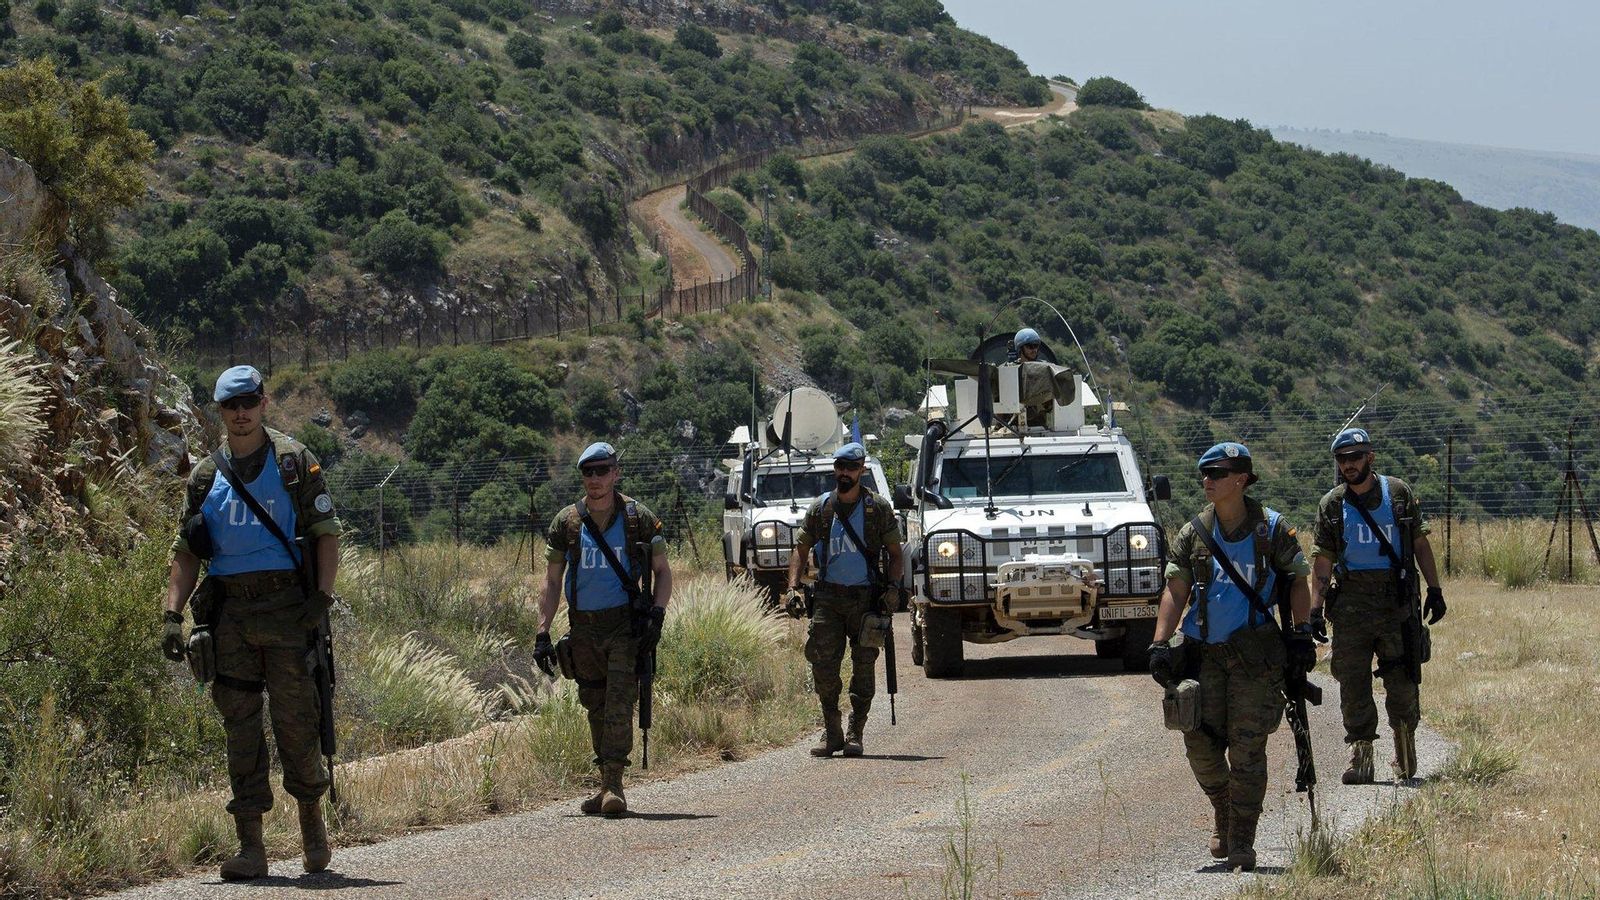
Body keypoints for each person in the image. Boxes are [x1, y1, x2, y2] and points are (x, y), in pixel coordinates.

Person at [161, 365, 342, 879]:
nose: (240, 413)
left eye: (248, 402)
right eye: (230, 405)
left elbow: (327, 533)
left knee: (296, 723)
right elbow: (186, 552)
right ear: (220, 411)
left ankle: (313, 835)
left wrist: (322, 598)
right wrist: (172, 616)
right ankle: (252, 849)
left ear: (263, 402)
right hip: (230, 617)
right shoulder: (204, 476)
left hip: (287, 612)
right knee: (240, 729)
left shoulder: (293, 461)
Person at [1146, 442, 1314, 871]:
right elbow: (1175, 589)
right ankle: (1221, 806)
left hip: (1255, 657)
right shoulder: (1194, 532)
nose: (1208, 481)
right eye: (1204, 473)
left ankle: (1242, 838)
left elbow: (1298, 580)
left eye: (1217, 474)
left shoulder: (1272, 529)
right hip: (1204, 657)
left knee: (1247, 750)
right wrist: (1160, 643)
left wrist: (1301, 634)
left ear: (1240, 480)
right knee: (1197, 740)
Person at [534, 442, 671, 816]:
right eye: (588, 472)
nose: (594, 479)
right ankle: (604, 784)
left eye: (602, 471)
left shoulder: (637, 518)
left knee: (618, 704)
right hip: (583, 629)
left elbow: (662, 573)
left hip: (624, 626)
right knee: (594, 702)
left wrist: (656, 616)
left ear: (615, 473)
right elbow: (551, 581)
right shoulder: (567, 522)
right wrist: (542, 632)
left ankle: (614, 785)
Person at [1310, 428, 1444, 784]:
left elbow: (1419, 542)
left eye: (1355, 457)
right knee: (1352, 681)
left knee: (1402, 680)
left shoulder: (1397, 493)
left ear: (1370, 457)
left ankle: (1404, 751)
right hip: (1351, 603)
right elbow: (1322, 559)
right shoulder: (1332, 504)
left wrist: (1435, 588)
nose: (1348, 465)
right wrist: (1314, 609)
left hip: (1396, 602)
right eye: (1342, 459)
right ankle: (1362, 757)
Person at [783, 442, 904, 758]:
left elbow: (895, 554)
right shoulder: (821, 508)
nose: (844, 473)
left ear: (861, 470)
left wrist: (893, 587)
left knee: (863, 667)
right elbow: (800, 550)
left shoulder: (877, 509)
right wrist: (793, 588)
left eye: (850, 468)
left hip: (866, 601)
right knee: (823, 666)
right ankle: (832, 732)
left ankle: (855, 733)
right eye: (839, 467)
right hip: (827, 599)